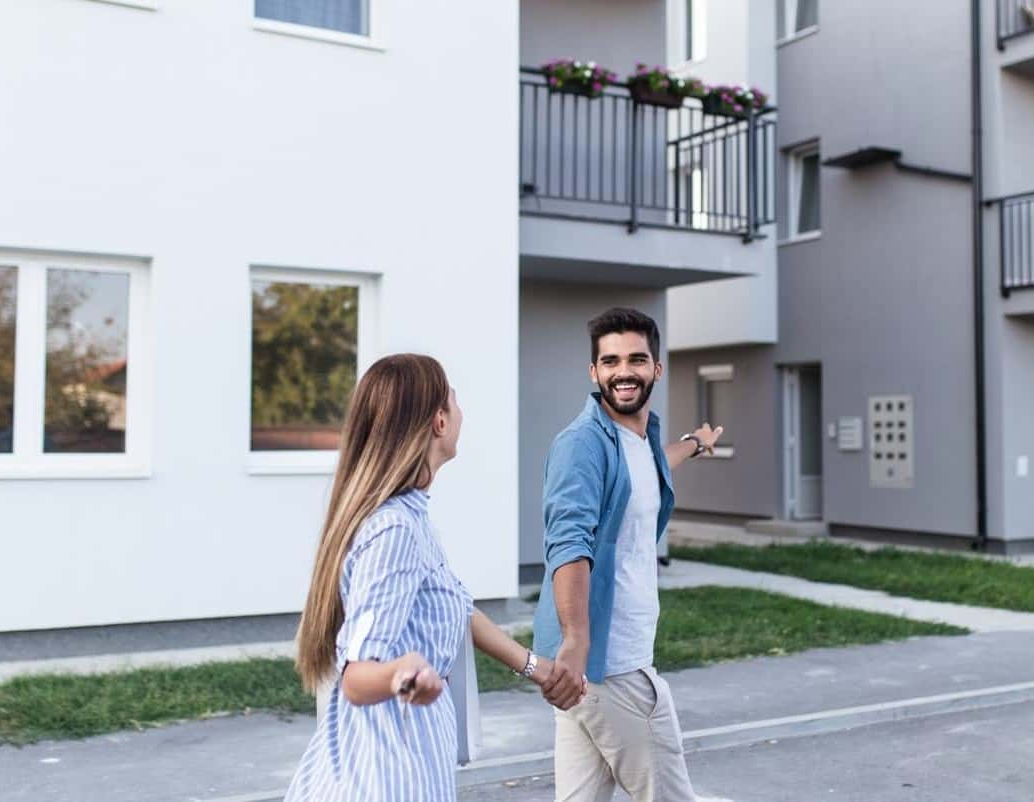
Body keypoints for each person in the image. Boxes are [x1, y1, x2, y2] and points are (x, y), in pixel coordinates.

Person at [285, 353, 563, 802]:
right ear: (438, 421)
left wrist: (535, 668)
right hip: (387, 774)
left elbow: (457, 606)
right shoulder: (394, 530)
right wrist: (401, 674)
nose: (459, 410)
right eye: (454, 398)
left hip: (407, 759)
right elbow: (357, 676)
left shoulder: (411, 519)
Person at [532, 308, 724, 802]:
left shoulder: (636, 441)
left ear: (656, 369)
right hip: (611, 665)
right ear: (594, 372)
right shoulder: (583, 444)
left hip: (591, 673)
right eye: (610, 361)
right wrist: (576, 642)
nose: (624, 371)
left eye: (637, 359)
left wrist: (696, 444)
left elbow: (655, 464)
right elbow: (568, 544)